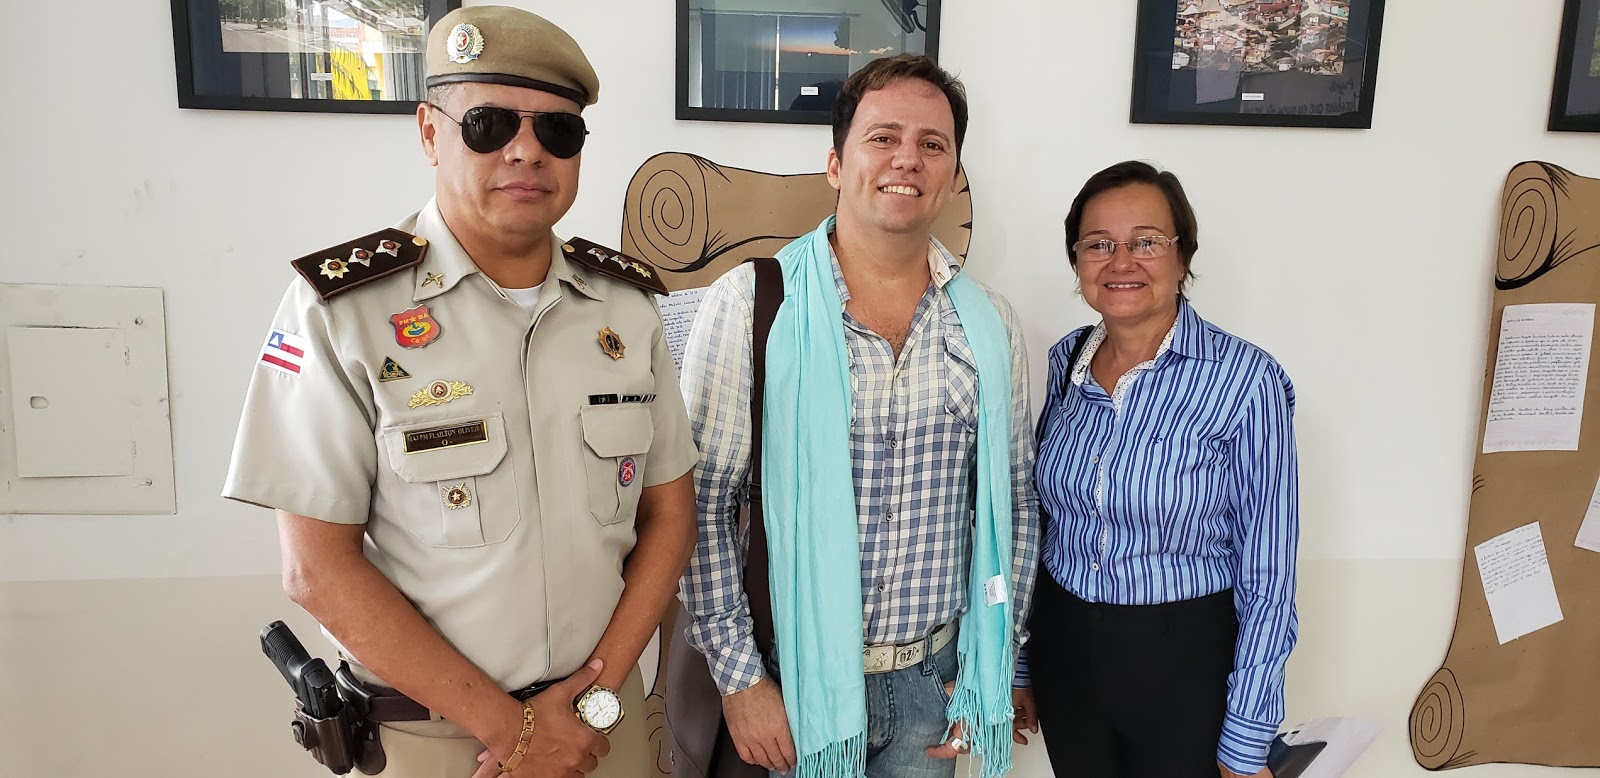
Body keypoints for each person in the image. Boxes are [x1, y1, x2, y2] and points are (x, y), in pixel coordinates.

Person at [221, 7, 699, 777]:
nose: (527, 150)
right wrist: (514, 732)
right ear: (429, 132)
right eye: (488, 124)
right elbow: (316, 568)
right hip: (438, 744)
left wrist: (591, 702)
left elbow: (670, 515)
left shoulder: (625, 309)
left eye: (558, 131)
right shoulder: (342, 311)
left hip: (598, 733)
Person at [677, 54, 1040, 778]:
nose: (908, 159)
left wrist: (989, 668)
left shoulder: (989, 324)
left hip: (934, 688)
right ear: (837, 165)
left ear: (952, 175)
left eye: (932, 144)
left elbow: (1014, 506)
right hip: (787, 681)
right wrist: (741, 681)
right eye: (883, 137)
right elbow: (700, 504)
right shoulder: (753, 303)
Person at [1016, 160, 1299, 778]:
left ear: (1182, 255)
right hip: (1067, 652)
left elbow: (1269, 570)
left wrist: (1248, 733)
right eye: (1098, 244)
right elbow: (1040, 526)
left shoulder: (1246, 381)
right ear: (1076, 261)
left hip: (1184, 662)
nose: (1121, 262)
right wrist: (1022, 662)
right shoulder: (1066, 361)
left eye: (1145, 241)